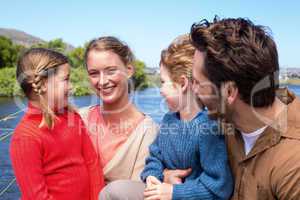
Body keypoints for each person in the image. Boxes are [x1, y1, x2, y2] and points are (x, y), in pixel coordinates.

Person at [100, 34, 233, 200]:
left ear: (183, 84)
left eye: (163, 82)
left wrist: (173, 192)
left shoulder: (208, 128)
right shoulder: (169, 120)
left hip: (184, 196)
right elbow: (155, 157)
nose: (160, 90)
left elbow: (220, 187)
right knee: (112, 191)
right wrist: (153, 177)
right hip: (161, 191)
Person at [190, 17, 300, 199]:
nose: (192, 90)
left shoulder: (293, 165)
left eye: (198, 83)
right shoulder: (226, 122)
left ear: (230, 92)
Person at [10, 48, 105, 200]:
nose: (71, 86)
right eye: (66, 79)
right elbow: (36, 196)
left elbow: (92, 164)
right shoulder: (25, 137)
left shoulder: (73, 118)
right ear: (44, 83)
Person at [81, 36, 158, 184]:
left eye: (111, 71)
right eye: (94, 73)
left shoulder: (147, 133)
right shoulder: (79, 118)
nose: (102, 81)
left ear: (129, 70)